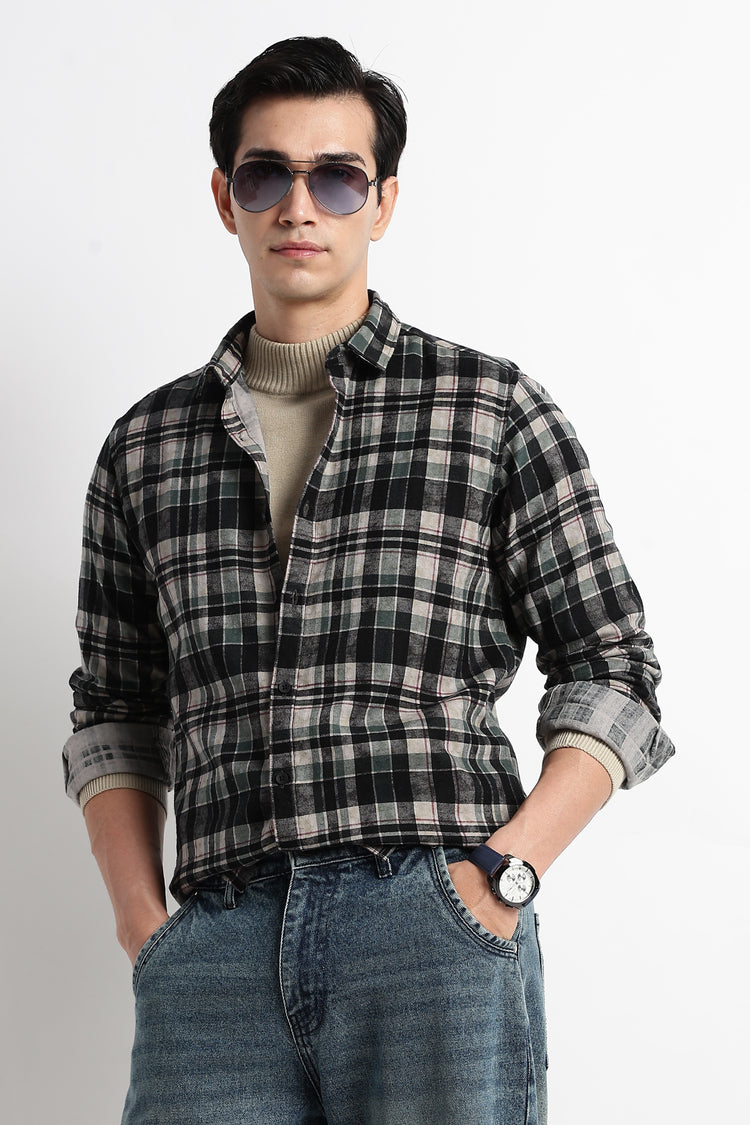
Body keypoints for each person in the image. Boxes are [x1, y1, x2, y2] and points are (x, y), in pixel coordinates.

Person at [64, 35, 674, 1125]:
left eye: (337, 177)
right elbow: (114, 709)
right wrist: (142, 925)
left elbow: (614, 669)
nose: (300, 206)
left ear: (382, 202)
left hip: (431, 924)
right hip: (214, 946)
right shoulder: (145, 448)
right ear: (225, 198)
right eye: (267, 175)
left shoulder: (489, 412)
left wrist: (503, 877)